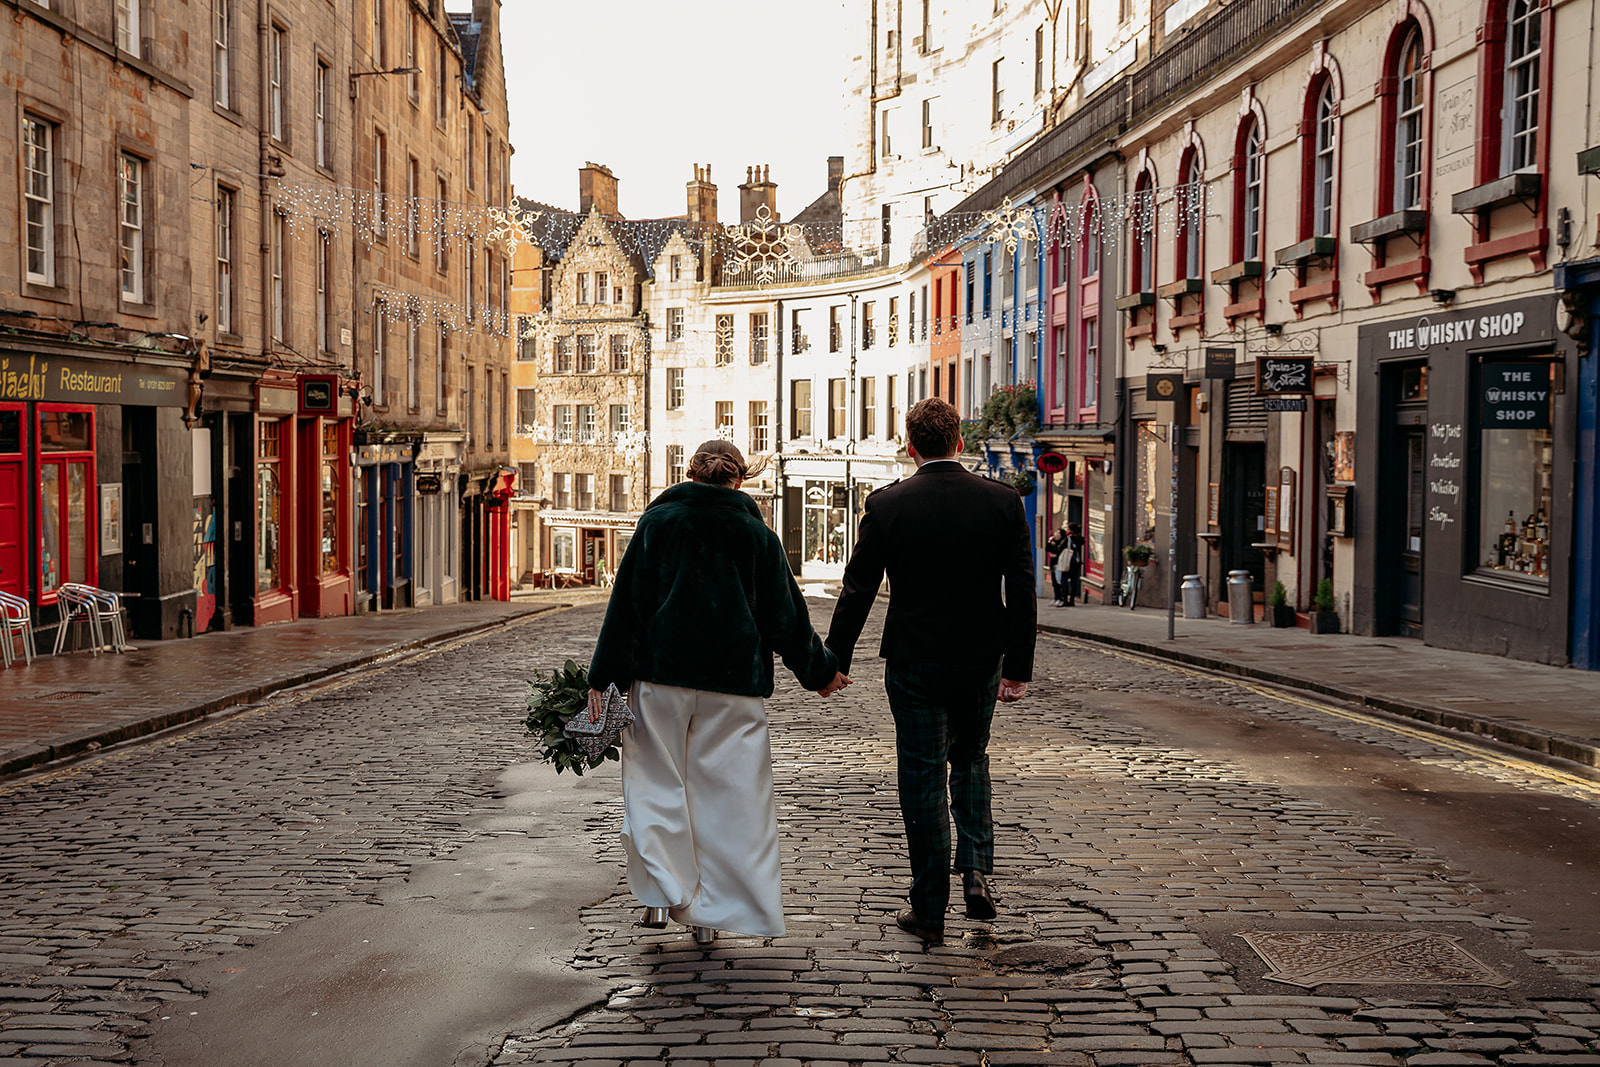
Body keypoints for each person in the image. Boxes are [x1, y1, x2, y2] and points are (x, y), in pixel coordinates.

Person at [586, 440, 848, 947]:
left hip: (661, 680)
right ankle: (707, 914)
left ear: (689, 474)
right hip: (734, 688)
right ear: (741, 481)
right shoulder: (756, 534)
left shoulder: (657, 525)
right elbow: (787, 619)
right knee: (728, 801)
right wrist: (821, 674)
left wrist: (602, 679)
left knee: (656, 786)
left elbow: (626, 609)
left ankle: (663, 896)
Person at [825, 398, 1036, 945]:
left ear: (911, 446)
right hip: (980, 658)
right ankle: (977, 873)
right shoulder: (1003, 501)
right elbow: (1022, 590)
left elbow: (859, 586)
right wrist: (1019, 665)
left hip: (915, 659)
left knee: (921, 774)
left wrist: (835, 659)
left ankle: (929, 907)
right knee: (970, 758)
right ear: (960, 441)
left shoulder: (889, 503)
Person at [1057, 522, 1085, 607]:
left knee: (1064, 580)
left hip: (1068, 562)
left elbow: (1060, 548)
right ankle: (1072, 600)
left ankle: (1065, 600)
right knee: (1074, 581)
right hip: (1076, 562)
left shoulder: (1068, 538)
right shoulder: (1080, 539)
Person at [1045, 525, 1070, 606]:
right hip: (1053, 565)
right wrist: (1049, 541)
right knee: (1054, 583)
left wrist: (1056, 555)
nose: (1056, 535)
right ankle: (1056, 597)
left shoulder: (1063, 543)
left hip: (1059, 564)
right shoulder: (1053, 542)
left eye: (1058, 534)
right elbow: (1047, 549)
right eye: (1056, 533)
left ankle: (1060, 598)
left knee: (1059, 582)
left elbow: (1061, 552)